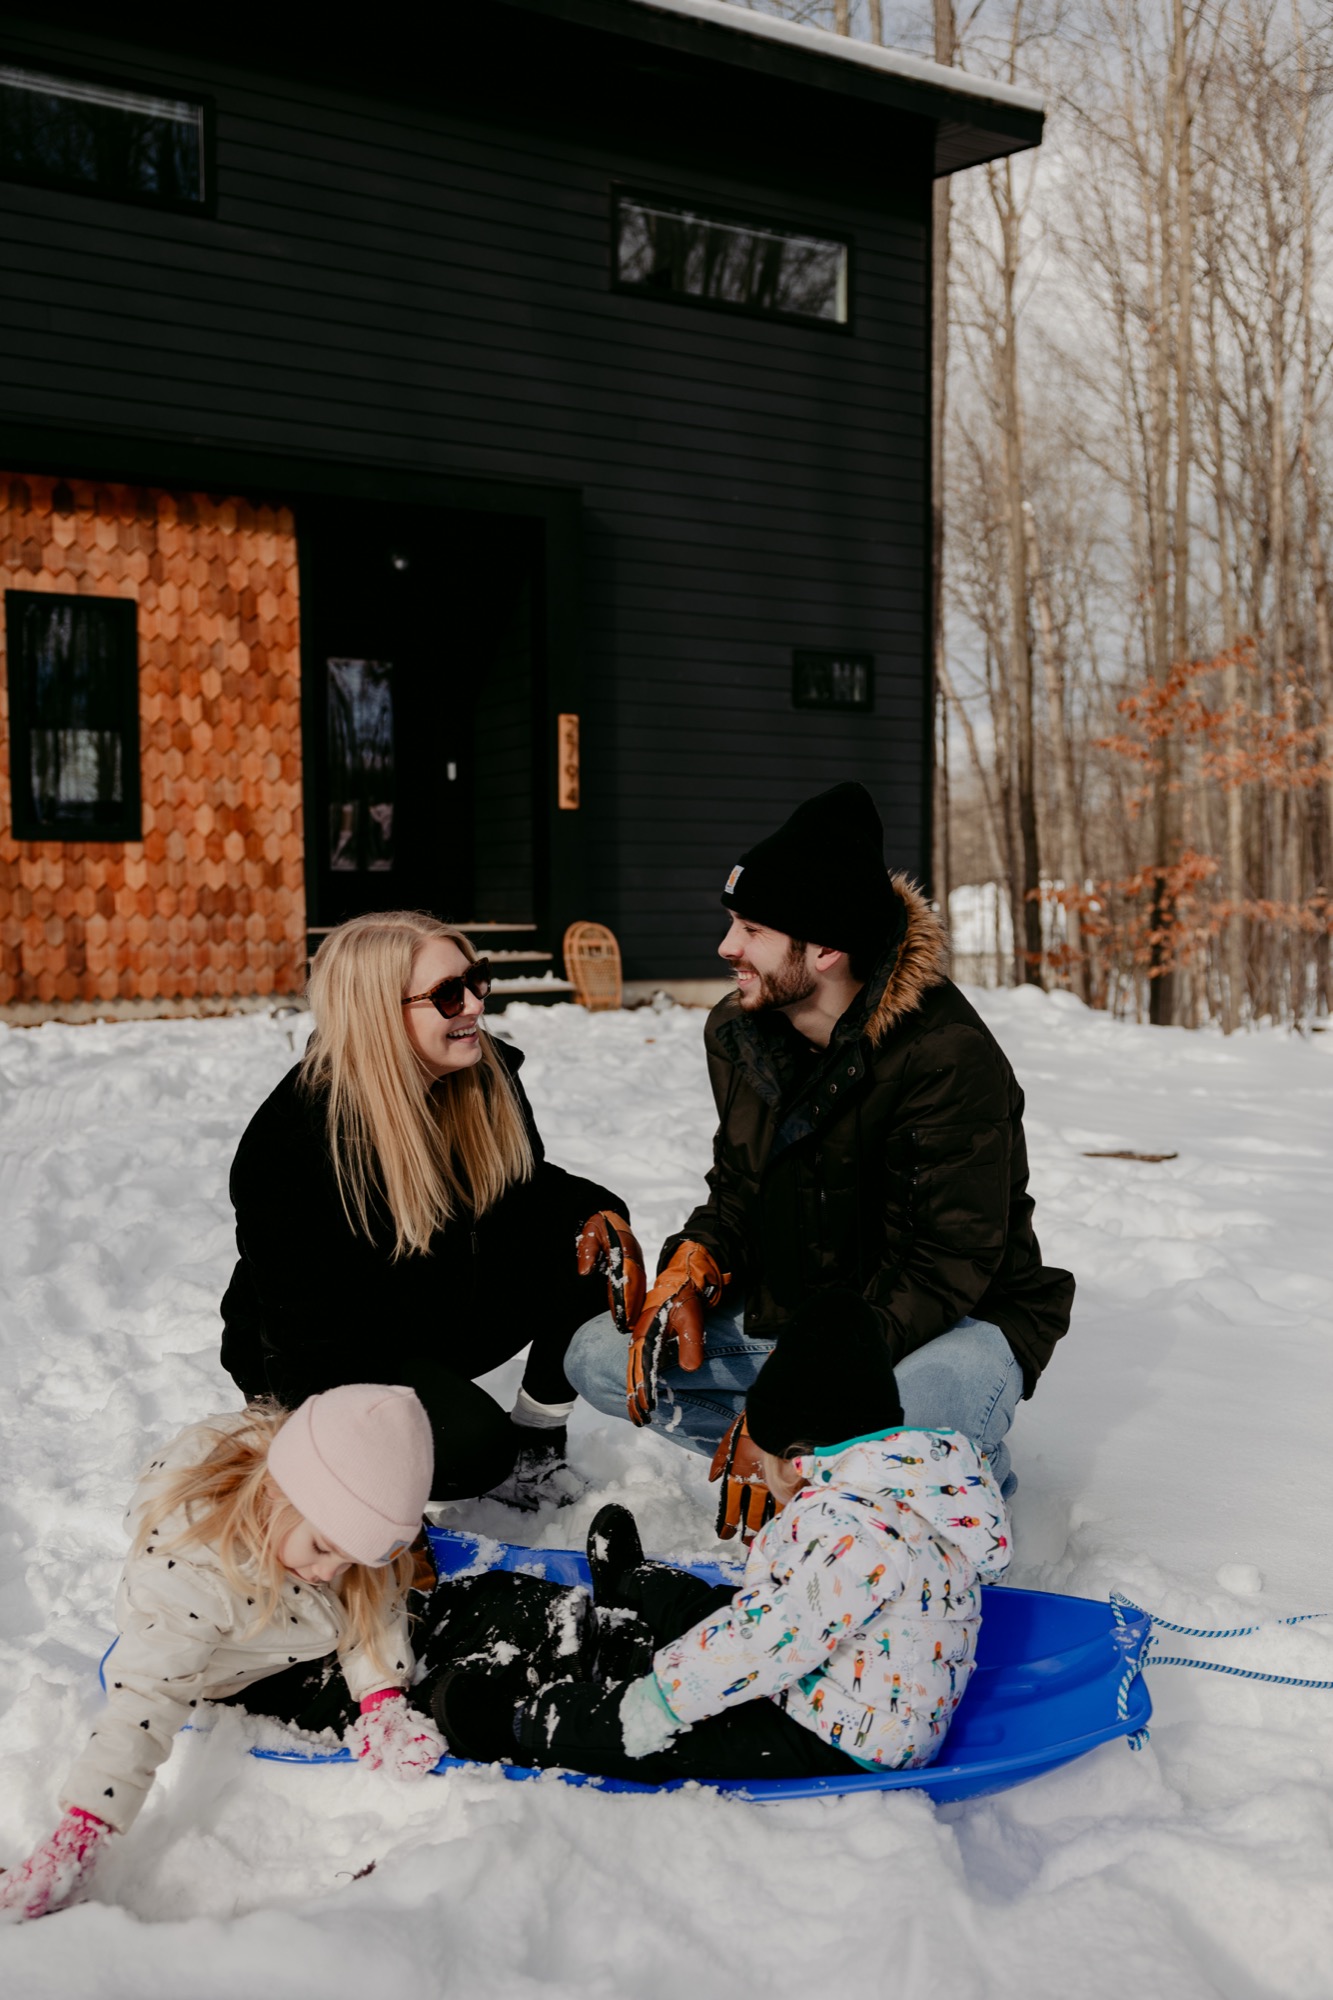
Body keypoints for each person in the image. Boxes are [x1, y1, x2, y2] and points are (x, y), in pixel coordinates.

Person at [563, 783, 1074, 1524]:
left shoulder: (945, 1056)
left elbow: (945, 1262)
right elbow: (738, 1188)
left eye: (750, 929)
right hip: (802, 1307)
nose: (725, 947)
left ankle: (945, 1490)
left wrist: (798, 1402)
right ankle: (820, 1477)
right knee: (599, 1359)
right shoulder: (740, 1033)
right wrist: (694, 1259)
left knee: (926, 1407)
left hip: (951, 1319)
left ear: (826, 950)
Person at [430, 1293, 1010, 1782]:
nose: (757, 1471)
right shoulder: (913, 1485)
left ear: (798, 1457)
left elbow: (766, 1644)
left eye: (763, 1452)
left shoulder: (846, 1530)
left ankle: (519, 1722)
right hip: (832, 1670)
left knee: (661, 1734)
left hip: (837, 1734)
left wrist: (664, 1696)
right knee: (725, 1611)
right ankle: (637, 1584)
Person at [220, 912, 645, 1510]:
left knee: (591, 1246)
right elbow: (304, 1340)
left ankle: (535, 1446)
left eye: (477, 980)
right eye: (447, 995)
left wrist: (600, 1210)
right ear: (376, 1013)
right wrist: (350, 1488)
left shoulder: (478, 1074)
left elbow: (524, 1190)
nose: (474, 1004)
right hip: (325, 1349)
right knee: (472, 1452)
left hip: (431, 1300)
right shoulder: (292, 1146)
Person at [0, 1385, 449, 1922]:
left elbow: (373, 1600)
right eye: (325, 1548)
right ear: (277, 1494)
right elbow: (144, 1705)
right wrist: (83, 1831)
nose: (331, 1571)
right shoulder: (191, 1582)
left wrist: (381, 1696)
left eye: (349, 1559)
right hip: (219, 1667)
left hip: (288, 1624)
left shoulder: (314, 1530)